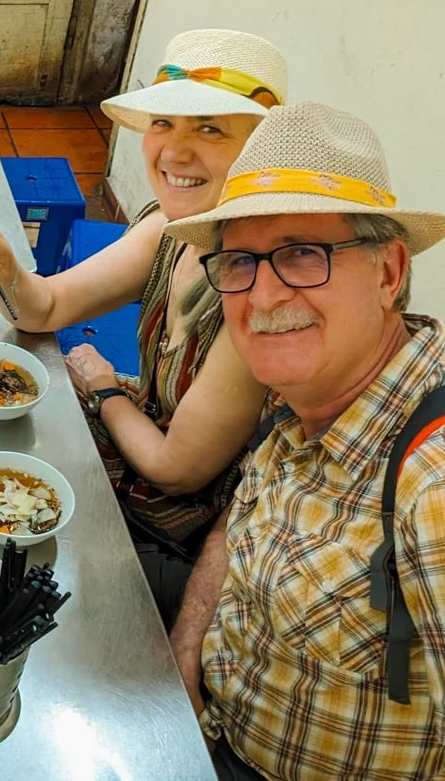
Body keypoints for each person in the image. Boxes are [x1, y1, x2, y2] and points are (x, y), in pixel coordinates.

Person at [0, 30, 286, 595]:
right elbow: (46, 307)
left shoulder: (258, 290)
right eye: (163, 123)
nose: (174, 152)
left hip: (182, 528)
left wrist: (105, 387)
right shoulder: (172, 229)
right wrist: (1, 269)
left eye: (211, 128)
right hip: (138, 437)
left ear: (260, 148)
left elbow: (176, 469)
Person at [162, 103, 445, 780]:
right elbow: (247, 515)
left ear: (387, 273)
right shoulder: (309, 396)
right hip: (205, 716)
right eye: (239, 261)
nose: (261, 297)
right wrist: (186, 648)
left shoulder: (431, 487)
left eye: (301, 255)